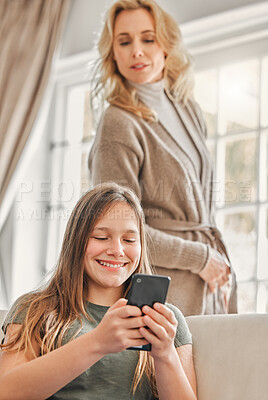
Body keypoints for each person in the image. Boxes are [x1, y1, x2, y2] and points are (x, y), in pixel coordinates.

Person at [88, 0, 237, 316]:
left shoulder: (189, 110)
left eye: (148, 38)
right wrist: (200, 258)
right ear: (113, 53)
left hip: (208, 281)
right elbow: (118, 226)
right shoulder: (119, 122)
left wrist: (211, 261)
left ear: (166, 46)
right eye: (124, 42)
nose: (136, 51)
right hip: (163, 288)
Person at [0, 183, 197, 400]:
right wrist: (98, 342)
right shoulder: (35, 310)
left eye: (129, 240)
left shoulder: (166, 321)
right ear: (76, 242)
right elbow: (6, 392)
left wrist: (165, 354)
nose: (117, 251)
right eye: (101, 237)